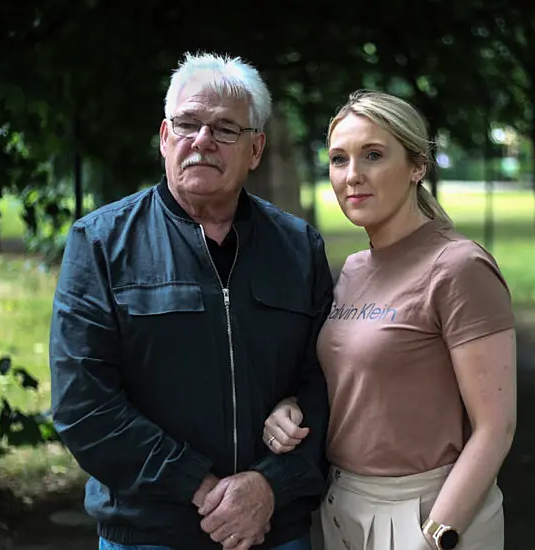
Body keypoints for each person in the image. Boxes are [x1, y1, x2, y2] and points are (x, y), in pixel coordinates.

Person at [48, 51, 333, 550]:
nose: (202, 140)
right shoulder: (100, 244)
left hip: (275, 530)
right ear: (164, 138)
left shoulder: (299, 248)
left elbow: (328, 384)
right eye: (187, 124)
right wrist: (203, 490)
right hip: (147, 534)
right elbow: (83, 405)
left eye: (225, 129)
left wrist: (269, 486)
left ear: (256, 149)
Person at [262, 90, 517, 550]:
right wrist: (291, 407)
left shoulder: (459, 267)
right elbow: (351, 378)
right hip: (340, 506)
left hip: (428, 512)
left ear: (417, 166)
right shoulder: (354, 269)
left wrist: (436, 536)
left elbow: (496, 428)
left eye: (373, 155)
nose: (352, 176)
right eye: (338, 160)